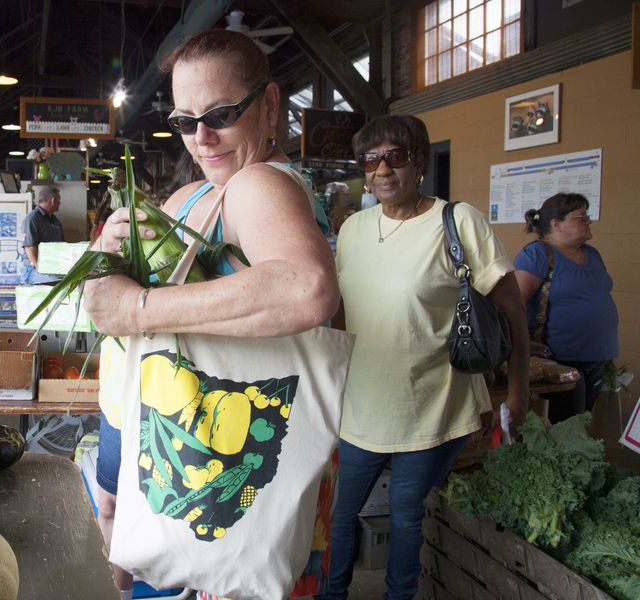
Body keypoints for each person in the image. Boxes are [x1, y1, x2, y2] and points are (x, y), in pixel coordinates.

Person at [84, 29, 339, 600]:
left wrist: (136, 306)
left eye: (221, 113)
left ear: (270, 105)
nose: (201, 138)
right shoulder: (195, 197)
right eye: (183, 121)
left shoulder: (258, 184)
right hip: (196, 457)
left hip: (229, 466)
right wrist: (111, 256)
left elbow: (307, 288)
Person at [318, 114, 529, 600]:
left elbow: (512, 311)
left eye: (395, 157)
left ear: (419, 164)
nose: (382, 170)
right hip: (361, 405)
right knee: (338, 512)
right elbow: (343, 312)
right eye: (370, 160)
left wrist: (519, 392)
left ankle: (400, 595)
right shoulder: (352, 228)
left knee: (406, 515)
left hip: (431, 400)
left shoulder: (457, 221)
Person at [514, 193, 619, 423]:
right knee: (566, 427)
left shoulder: (592, 254)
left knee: (581, 424)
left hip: (598, 356)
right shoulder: (538, 254)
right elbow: (515, 302)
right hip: (560, 360)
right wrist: (522, 340)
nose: (588, 221)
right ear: (556, 224)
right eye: (580, 216)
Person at [18, 186, 64, 284]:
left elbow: (63, 246)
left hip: (53, 268)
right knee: (61, 282)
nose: (60, 203)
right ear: (53, 200)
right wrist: (43, 271)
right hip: (33, 270)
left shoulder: (54, 220)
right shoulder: (32, 219)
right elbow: (30, 249)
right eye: (59, 200)